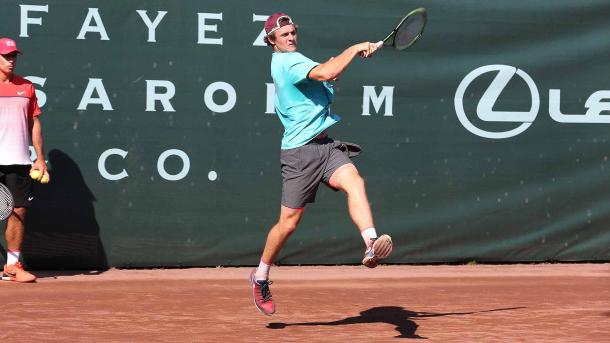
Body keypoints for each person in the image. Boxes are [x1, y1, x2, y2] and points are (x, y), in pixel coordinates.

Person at [249, 13, 393, 315]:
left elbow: (324, 76)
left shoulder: (294, 60)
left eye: (293, 32)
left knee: (355, 182)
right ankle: (260, 275)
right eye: (284, 34)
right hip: (299, 153)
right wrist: (354, 49)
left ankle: (370, 244)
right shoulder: (286, 62)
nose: (291, 37)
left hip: (325, 147)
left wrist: (334, 69)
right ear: (271, 40)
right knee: (288, 223)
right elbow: (327, 72)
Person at [0, 37, 47, 282]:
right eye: (6, 56)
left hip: (18, 161)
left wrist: (39, 158)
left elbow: (34, 123)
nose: (11, 60)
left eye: (13, 56)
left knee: (18, 211)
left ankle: (12, 266)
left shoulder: (27, 87)